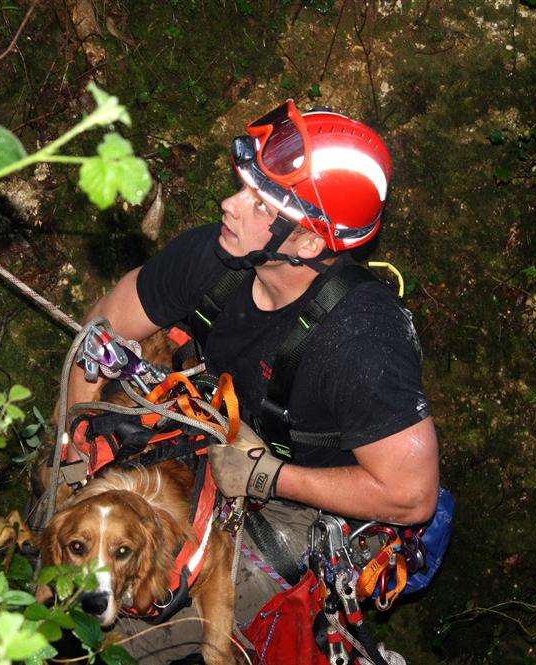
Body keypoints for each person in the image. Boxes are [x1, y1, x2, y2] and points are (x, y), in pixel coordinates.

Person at [65, 100, 440, 662]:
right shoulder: (212, 256)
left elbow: (412, 496)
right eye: (244, 186)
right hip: (202, 443)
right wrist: (74, 459)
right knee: (67, 577)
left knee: (157, 633)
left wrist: (268, 476)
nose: (229, 205)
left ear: (309, 242)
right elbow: (101, 332)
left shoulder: (362, 338)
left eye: (260, 202)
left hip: (304, 501)